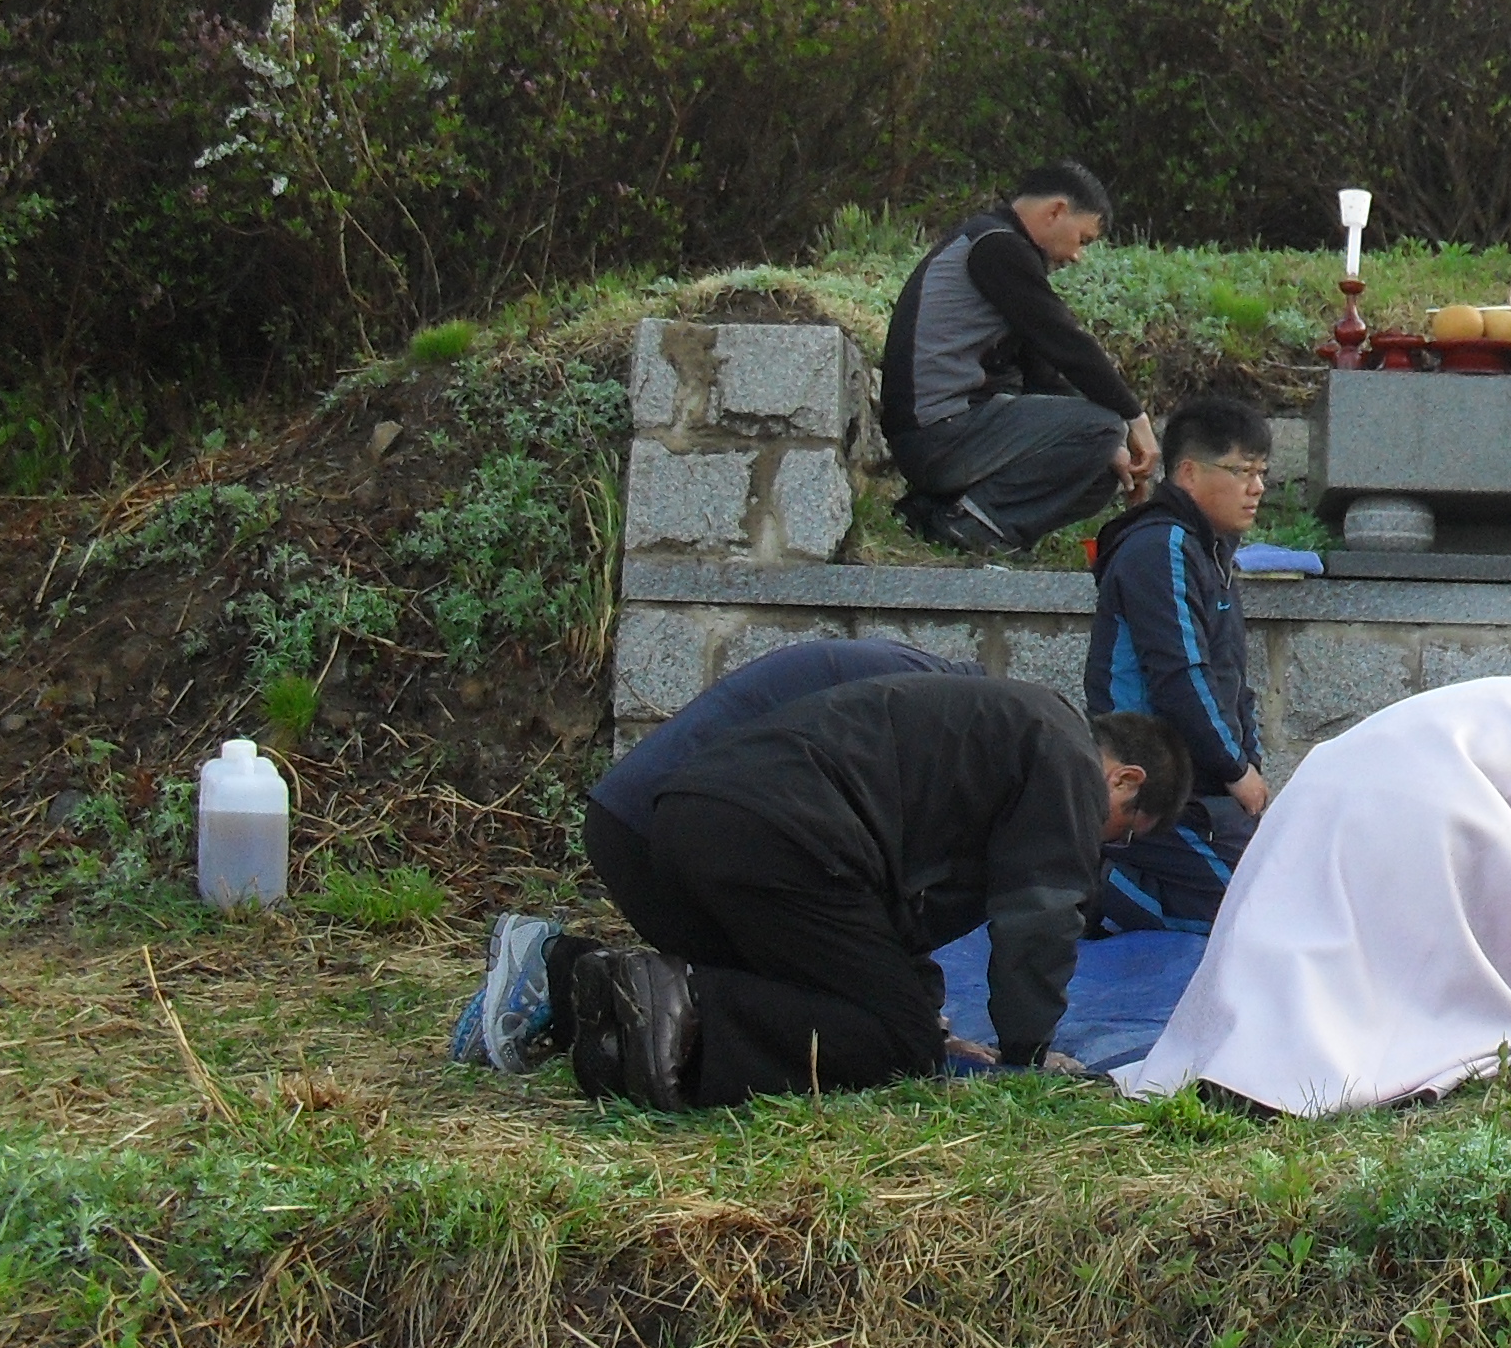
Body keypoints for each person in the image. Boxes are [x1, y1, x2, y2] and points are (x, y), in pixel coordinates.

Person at [554, 671, 1187, 1111]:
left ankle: (576, 976)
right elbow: (1041, 920)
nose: (1103, 848)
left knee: (825, 995)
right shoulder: (1069, 766)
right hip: (787, 834)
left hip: (699, 814)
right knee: (895, 1044)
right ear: (1125, 782)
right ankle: (686, 1006)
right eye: (1125, 834)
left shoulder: (1005, 725)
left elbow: (893, 915)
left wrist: (919, 1004)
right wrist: (1025, 1051)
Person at [1113, 676, 1511, 1116]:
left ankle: (1237, 1056)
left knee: (1303, 930)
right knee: (1437, 993)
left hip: (1336, 769)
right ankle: (1310, 1071)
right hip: (1435, 791)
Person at [453, 633, 970, 1074]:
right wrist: (917, 1015)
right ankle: (565, 974)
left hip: (653, 822)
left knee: (823, 997)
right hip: (677, 832)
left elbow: (872, 875)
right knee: (845, 1017)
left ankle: (562, 977)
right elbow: (870, 884)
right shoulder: (931, 718)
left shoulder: (925, 694)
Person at [883, 162, 1157, 554]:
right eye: (1084, 239)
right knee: (1103, 428)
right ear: (1056, 211)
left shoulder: (998, 249)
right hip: (937, 434)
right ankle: (968, 526)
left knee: (1101, 468)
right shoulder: (996, 245)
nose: (1078, 256)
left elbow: (1042, 372)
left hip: (950, 434)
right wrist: (1134, 418)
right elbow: (1064, 340)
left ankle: (936, 514)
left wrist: (1108, 446)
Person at [1084, 397, 1277, 932]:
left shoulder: (1212, 551)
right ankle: (1103, 888)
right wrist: (1236, 769)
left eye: (1261, 473)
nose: (1256, 487)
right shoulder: (1162, 545)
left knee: (1284, 889)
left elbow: (1232, 677)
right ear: (1189, 472)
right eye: (1242, 471)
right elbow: (1179, 675)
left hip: (1208, 789)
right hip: (1159, 789)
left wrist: (1248, 759)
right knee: (1253, 917)